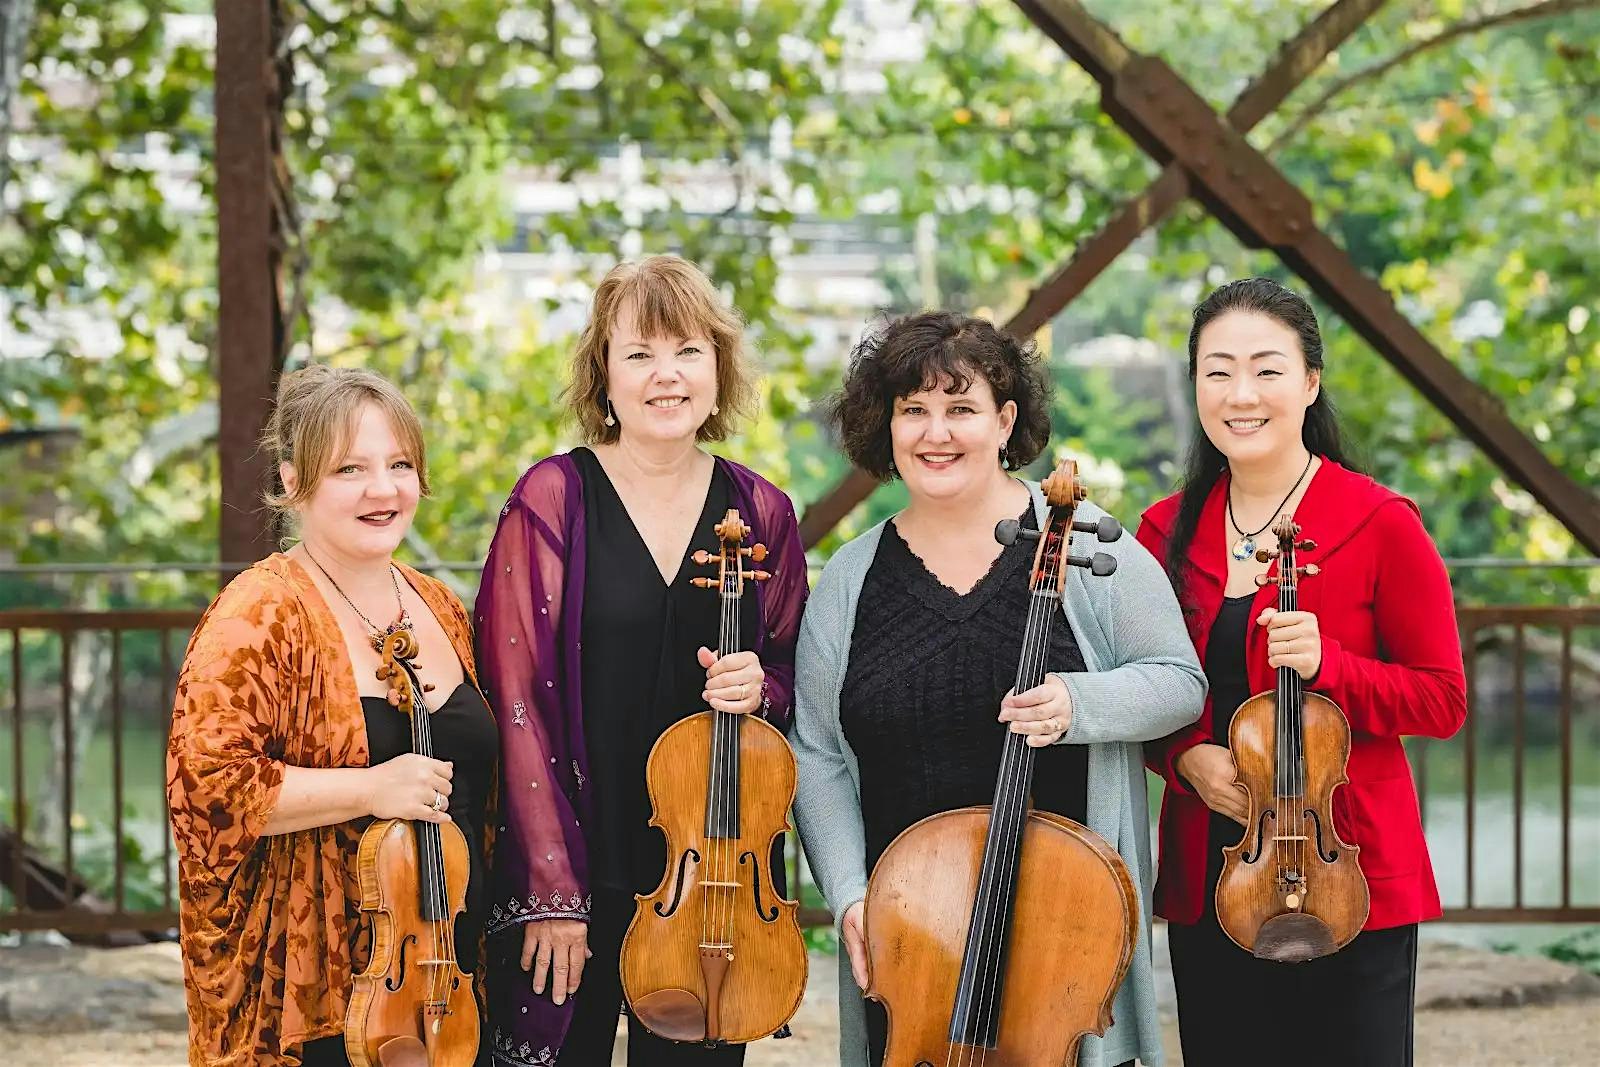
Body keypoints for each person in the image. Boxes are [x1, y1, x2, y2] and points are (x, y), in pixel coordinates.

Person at [789, 310, 1206, 1067]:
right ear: (887, 424)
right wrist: (849, 893)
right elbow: (815, 752)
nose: (935, 433)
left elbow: (1179, 682)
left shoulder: (1088, 543)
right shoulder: (850, 578)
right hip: (910, 951)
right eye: (913, 410)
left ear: (1005, 420)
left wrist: (1080, 704)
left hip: (1064, 945)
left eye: (960, 408)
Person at [476, 254, 808, 1066]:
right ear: (605, 374)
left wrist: (760, 686)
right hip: (575, 863)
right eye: (640, 353)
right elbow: (514, 700)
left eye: (689, 350)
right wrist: (552, 888)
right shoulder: (553, 497)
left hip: (712, 880)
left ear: (718, 369)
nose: (668, 374)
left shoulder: (763, 509)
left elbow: (798, 674)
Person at [1140, 277, 1468, 1067]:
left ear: (1311, 381)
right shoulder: (1162, 532)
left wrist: (1334, 666)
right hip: (1215, 871)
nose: (1241, 393)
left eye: (1267, 368)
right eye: (1218, 370)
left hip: (1348, 868)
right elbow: (1143, 687)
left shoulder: (1381, 522)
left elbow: (1443, 699)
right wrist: (1182, 756)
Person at [168, 364, 496, 1066]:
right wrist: (371, 787)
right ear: (293, 481)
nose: (384, 489)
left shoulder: (438, 604)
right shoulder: (260, 611)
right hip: (317, 982)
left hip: (448, 967)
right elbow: (207, 790)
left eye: (399, 464)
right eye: (350, 468)